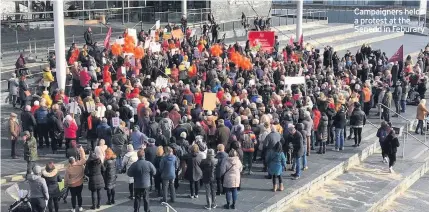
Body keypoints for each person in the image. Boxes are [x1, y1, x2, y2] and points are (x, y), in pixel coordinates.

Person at [64, 146, 86, 212]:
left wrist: (65, 185)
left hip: (72, 184)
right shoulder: (80, 164)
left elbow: (66, 178)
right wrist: (81, 149)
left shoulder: (68, 169)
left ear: (69, 162)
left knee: (73, 196)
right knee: (79, 195)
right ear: (74, 160)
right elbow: (83, 158)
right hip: (80, 183)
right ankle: (80, 207)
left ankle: (73, 208)